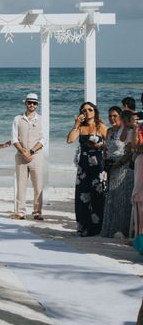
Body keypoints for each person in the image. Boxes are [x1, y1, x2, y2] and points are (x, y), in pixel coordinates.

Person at [66, 101, 108, 237]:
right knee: (82, 196)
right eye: (84, 110)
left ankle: (97, 228)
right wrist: (76, 124)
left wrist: (99, 146)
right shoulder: (80, 127)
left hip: (98, 164)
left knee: (98, 195)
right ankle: (83, 228)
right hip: (84, 165)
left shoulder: (101, 126)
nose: (87, 112)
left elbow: (110, 144)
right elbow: (69, 140)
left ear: (95, 111)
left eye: (90, 109)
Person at [11, 93, 46, 220]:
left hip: (36, 156)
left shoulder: (41, 119)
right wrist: (22, 151)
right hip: (20, 156)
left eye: (34, 103)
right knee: (21, 185)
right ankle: (20, 212)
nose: (32, 105)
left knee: (38, 185)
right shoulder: (17, 119)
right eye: (30, 102)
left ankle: (37, 212)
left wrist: (30, 152)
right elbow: (14, 138)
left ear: (37, 105)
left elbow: (43, 140)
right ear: (25, 103)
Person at [101, 107, 134, 238]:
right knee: (111, 199)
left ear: (120, 117)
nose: (112, 118)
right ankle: (111, 229)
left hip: (123, 167)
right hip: (110, 167)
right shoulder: (109, 131)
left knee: (122, 200)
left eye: (115, 116)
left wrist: (119, 163)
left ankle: (121, 230)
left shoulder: (127, 130)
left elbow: (129, 151)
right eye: (110, 116)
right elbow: (107, 148)